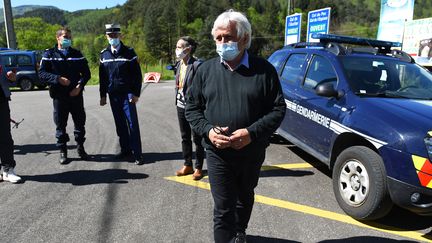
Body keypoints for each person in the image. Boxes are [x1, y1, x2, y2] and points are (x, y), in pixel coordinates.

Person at [185, 10, 286, 243]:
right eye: (218, 38)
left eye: (228, 37)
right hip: (217, 152)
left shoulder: (264, 70)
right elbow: (192, 108)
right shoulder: (205, 70)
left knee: (244, 196)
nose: (222, 43)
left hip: (251, 151)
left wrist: (251, 133)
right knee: (223, 206)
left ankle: (240, 231)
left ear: (244, 37)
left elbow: (278, 109)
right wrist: (209, 131)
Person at [39, 26, 91, 164]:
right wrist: (58, 79)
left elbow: (86, 74)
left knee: (80, 122)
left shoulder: (77, 54)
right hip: (59, 96)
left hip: (76, 95)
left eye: (69, 37)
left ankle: (81, 148)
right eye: (65, 37)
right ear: (58, 38)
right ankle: (63, 150)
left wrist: (79, 87)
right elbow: (42, 74)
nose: (68, 39)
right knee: (60, 124)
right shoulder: (49, 54)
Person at [99, 24, 144, 165]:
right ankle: (126, 150)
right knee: (120, 125)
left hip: (128, 95)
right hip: (113, 95)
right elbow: (103, 77)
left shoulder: (129, 52)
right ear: (106, 36)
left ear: (120, 36)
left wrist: (136, 93)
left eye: (115, 35)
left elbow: (137, 75)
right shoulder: (104, 54)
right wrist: (103, 95)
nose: (113, 38)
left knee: (132, 124)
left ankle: (137, 154)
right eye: (110, 36)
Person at [173, 36, 205, 180]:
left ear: (188, 49)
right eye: (177, 46)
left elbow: (202, 88)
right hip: (180, 105)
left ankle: (198, 167)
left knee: (197, 138)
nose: (177, 49)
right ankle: (187, 164)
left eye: (180, 47)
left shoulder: (197, 65)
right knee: (185, 137)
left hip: (194, 108)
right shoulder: (180, 64)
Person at [0, 69, 22, 183]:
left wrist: (12, 78)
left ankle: (8, 171)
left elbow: (8, 81)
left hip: (2, 101)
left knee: (5, 137)